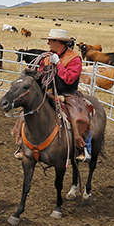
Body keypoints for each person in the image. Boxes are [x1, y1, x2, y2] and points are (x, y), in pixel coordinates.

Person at [37, 28, 91, 162]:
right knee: (26, 111)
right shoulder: (47, 56)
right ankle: (23, 144)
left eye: (50, 40)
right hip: (48, 93)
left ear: (58, 42)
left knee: (79, 118)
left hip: (68, 94)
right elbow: (40, 73)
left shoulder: (74, 58)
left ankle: (82, 148)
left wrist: (58, 64)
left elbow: (69, 79)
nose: (48, 43)